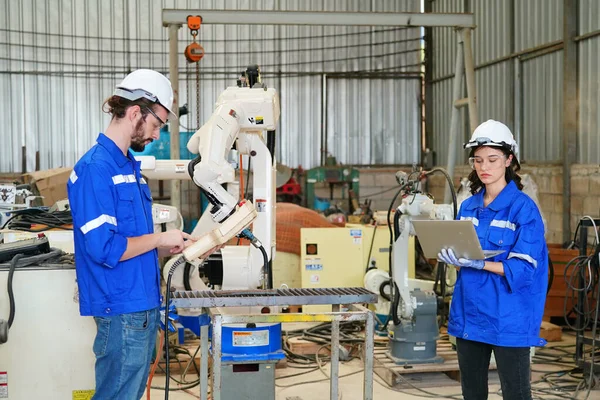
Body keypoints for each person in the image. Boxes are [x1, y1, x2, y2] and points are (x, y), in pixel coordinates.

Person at [68, 69, 194, 399]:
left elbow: (134, 243)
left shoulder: (129, 169)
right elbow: (103, 248)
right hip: (122, 309)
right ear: (136, 112)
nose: (156, 135)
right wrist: (158, 239)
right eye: (156, 125)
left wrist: (172, 245)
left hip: (140, 305)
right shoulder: (96, 168)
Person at [438, 119, 548, 400]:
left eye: (492, 159)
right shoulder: (468, 206)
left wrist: (479, 263)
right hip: (470, 314)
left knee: (516, 394)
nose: (484, 167)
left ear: (509, 160)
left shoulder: (523, 209)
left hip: (509, 317)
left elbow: (522, 271)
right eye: (478, 160)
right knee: (472, 394)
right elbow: (463, 255)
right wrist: (451, 256)